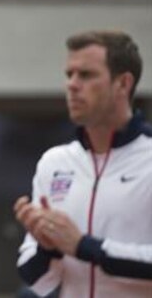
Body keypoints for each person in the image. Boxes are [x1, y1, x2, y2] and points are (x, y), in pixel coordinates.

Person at [14, 30, 152, 297]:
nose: (72, 85)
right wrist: (48, 246)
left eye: (86, 75)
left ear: (123, 83)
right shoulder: (54, 162)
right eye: (70, 74)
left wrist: (82, 246)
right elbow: (33, 277)